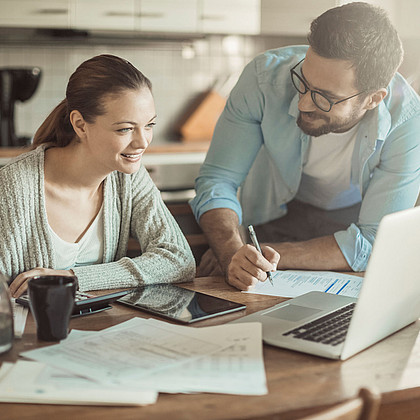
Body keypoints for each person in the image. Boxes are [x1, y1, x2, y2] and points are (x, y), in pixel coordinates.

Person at [190, 2, 420, 291]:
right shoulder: (262, 80)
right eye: (303, 81)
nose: (302, 104)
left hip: (347, 228)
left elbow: (374, 240)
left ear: (373, 99)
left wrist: (259, 255)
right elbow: (217, 180)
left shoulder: (409, 122)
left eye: (325, 97)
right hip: (274, 214)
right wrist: (231, 251)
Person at [0, 54, 195, 297]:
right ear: (80, 125)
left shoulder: (128, 177)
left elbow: (179, 259)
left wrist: (73, 278)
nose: (142, 142)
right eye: (125, 129)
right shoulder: (12, 187)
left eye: (149, 125)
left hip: (102, 329)